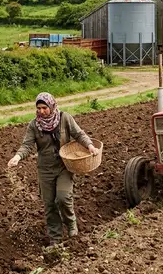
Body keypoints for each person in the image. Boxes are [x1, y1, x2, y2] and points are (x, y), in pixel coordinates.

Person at [7, 92, 99, 246]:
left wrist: (90, 146)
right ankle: (55, 238)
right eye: (39, 108)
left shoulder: (64, 118)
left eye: (44, 107)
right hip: (45, 169)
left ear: (52, 105)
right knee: (49, 204)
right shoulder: (34, 125)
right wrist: (17, 157)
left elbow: (79, 134)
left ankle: (71, 225)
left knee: (63, 198)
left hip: (64, 166)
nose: (41, 111)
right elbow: (27, 145)